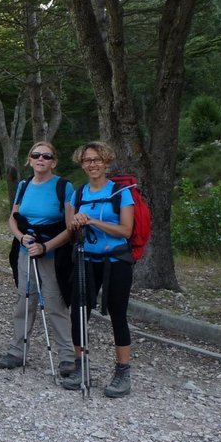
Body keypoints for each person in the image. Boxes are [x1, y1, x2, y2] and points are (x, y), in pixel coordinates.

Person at [63, 141, 136, 398]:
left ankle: (122, 372)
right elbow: (70, 226)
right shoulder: (79, 194)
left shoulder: (120, 193)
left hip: (116, 261)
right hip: (86, 260)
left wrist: (92, 220)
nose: (92, 164)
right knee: (79, 313)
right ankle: (81, 367)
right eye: (87, 160)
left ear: (106, 162)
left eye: (96, 159)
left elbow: (126, 230)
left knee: (118, 314)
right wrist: (77, 222)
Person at [0, 141, 76, 377]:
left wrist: (46, 247)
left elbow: (70, 227)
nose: (40, 159)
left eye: (46, 156)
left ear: (53, 161)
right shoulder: (23, 185)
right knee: (25, 300)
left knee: (55, 303)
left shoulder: (64, 186)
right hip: (26, 252)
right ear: (30, 159)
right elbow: (13, 218)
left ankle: (66, 356)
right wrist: (22, 238)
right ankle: (17, 350)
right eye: (36, 155)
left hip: (53, 254)